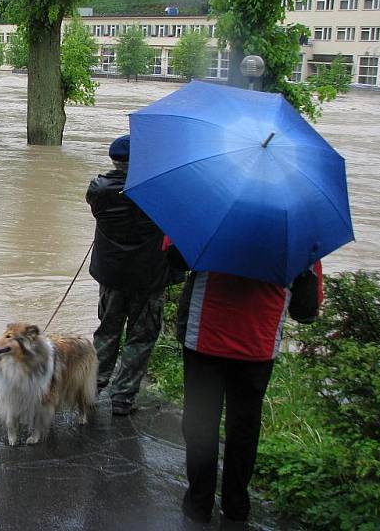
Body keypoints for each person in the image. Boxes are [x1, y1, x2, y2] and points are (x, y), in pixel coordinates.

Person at [167, 243, 323, 523]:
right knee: (245, 426)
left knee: (200, 421)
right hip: (258, 342)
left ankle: (198, 503)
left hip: (205, 334)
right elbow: (306, 309)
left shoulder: (208, 209)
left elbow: (174, 259)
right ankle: (236, 505)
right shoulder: (301, 233)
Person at [86, 134, 177, 416]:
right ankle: (123, 399)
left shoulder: (98, 189)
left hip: (112, 277)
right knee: (141, 337)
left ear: (114, 160)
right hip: (149, 279)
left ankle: (91, 391)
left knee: (107, 332)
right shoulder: (159, 191)